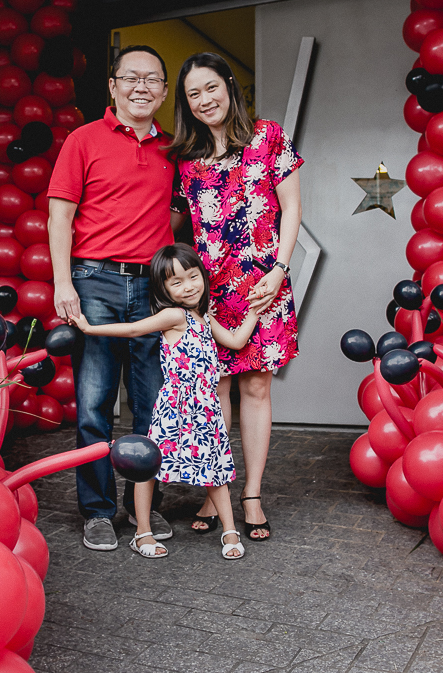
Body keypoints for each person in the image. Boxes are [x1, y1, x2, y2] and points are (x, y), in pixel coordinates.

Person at [168, 52, 303, 541]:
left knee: (257, 389)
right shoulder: (185, 159)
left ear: (229, 83)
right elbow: (178, 227)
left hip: (263, 283)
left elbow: (292, 208)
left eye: (210, 87)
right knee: (214, 391)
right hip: (209, 290)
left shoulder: (267, 137)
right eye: (193, 95)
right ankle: (215, 490)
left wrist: (280, 269)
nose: (205, 100)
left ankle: (252, 494)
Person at [48, 45, 179, 552]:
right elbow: (60, 217)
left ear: (165, 92)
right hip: (94, 281)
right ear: (113, 85)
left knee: (152, 403)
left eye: (152, 79)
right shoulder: (83, 140)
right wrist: (64, 283)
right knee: (94, 406)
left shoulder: (173, 149)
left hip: (152, 287)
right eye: (131, 78)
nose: (141, 87)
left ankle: (144, 506)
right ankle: (98, 510)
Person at [71, 243, 266, 560]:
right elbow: (134, 328)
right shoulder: (174, 316)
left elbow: (236, 341)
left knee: (214, 470)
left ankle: (229, 532)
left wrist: (255, 312)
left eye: (192, 276)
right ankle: (142, 533)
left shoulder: (204, 318)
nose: (188, 286)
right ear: (164, 288)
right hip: (173, 409)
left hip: (204, 411)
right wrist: (91, 327)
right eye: (177, 282)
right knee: (148, 467)